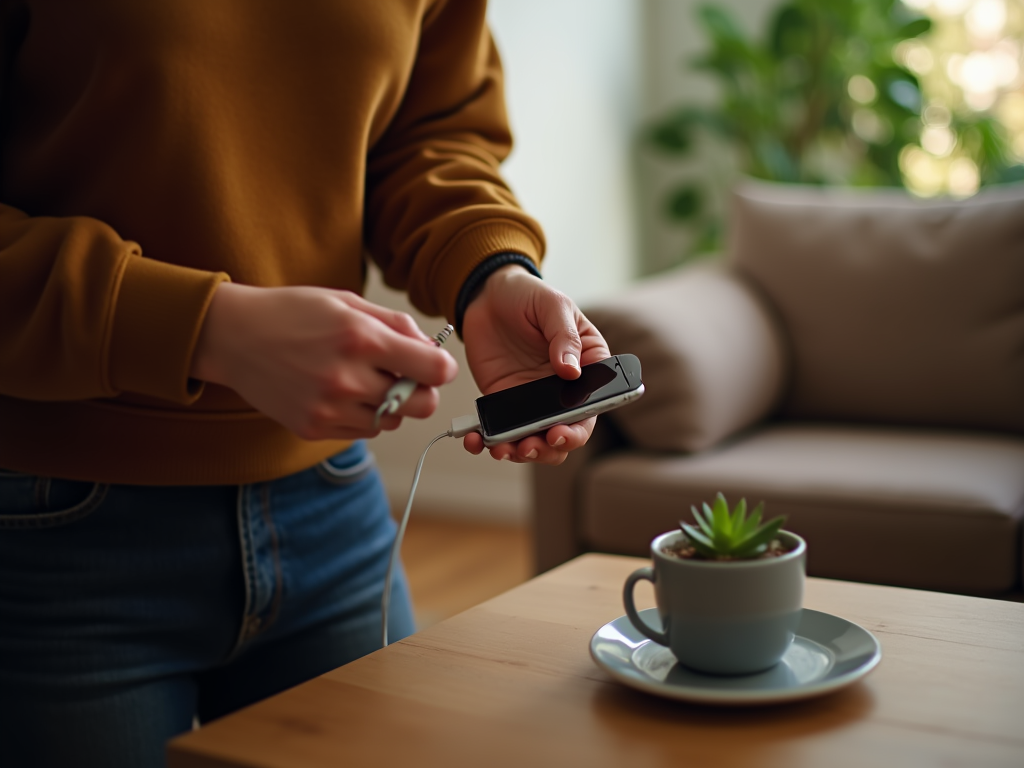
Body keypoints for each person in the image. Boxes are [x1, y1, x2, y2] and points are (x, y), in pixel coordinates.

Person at [0, 1, 609, 766]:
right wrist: (207, 329)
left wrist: (488, 270)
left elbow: (430, 134)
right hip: (53, 529)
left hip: (332, 500)